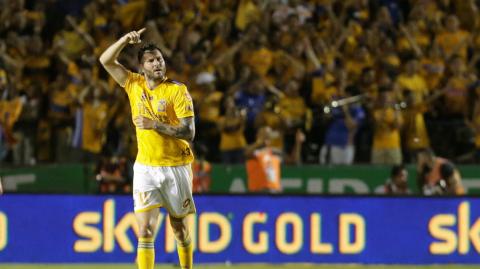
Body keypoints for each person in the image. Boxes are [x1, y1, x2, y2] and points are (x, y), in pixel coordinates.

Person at [99, 28, 195, 269]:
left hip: (176, 167)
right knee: (145, 230)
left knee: (179, 229)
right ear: (142, 67)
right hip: (145, 168)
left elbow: (189, 132)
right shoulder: (133, 83)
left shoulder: (177, 90)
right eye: (151, 61)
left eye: (160, 59)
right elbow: (105, 60)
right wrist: (124, 40)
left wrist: (156, 125)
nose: (157, 64)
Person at [245, 126, 282, 193]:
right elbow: (246, 153)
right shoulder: (255, 152)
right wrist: (259, 142)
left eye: (269, 136)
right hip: (258, 191)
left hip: (274, 191)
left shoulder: (275, 153)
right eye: (265, 136)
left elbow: (293, 161)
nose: (268, 138)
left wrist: (298, 143)